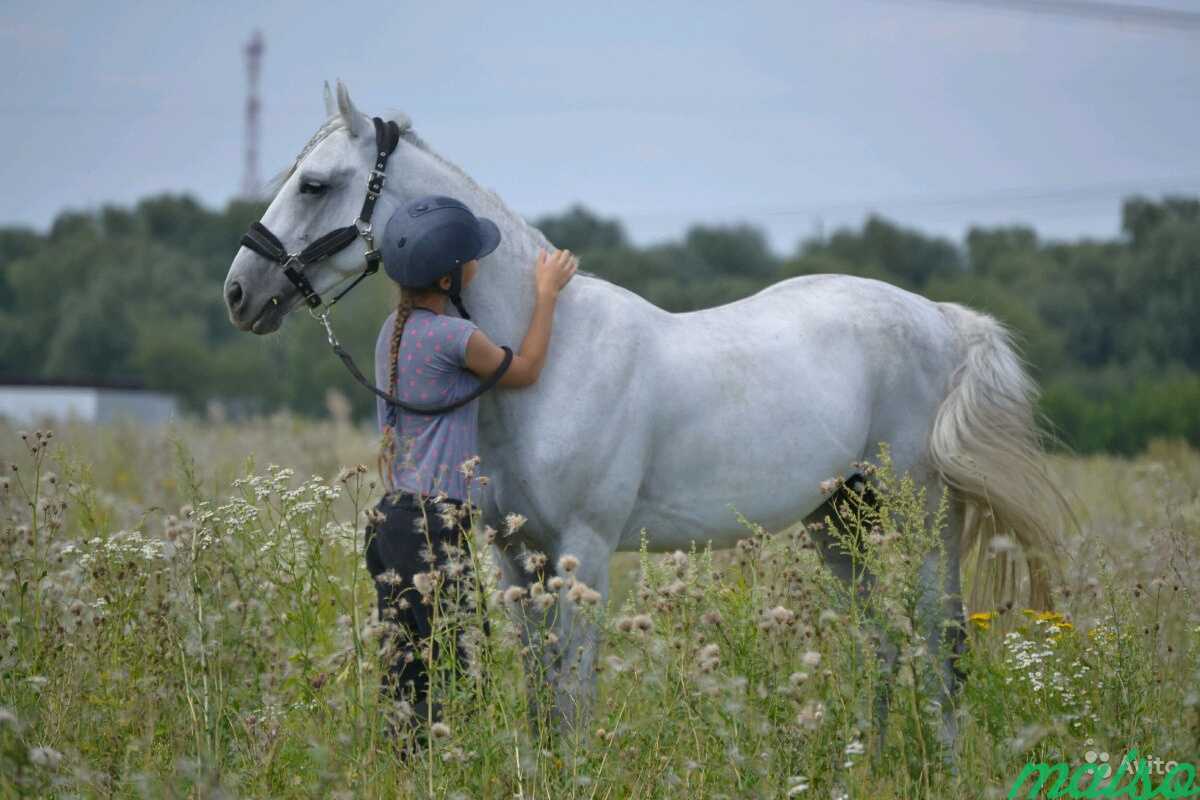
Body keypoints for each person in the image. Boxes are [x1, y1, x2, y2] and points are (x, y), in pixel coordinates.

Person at [366, 193, 577, 748]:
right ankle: (449, 771)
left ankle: (406, 772)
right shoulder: (456, 338)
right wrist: (546, 294)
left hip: (389, 521)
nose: (476, 263)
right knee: (462, 671)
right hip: (435, 524)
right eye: (469, 258)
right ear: (447, 281)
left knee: (405, 669)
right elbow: (526, 370)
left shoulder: (391, 330)